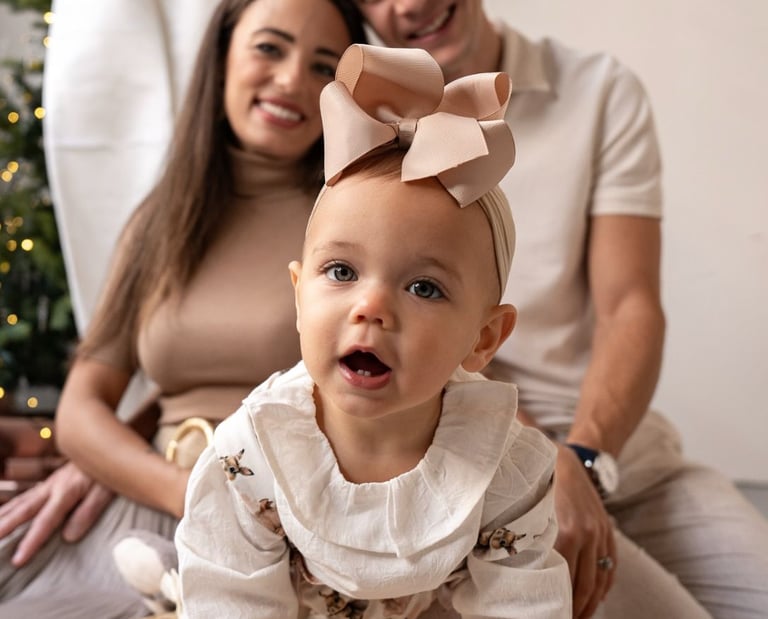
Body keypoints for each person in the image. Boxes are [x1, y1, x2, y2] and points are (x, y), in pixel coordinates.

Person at [353, 2, 768, 619]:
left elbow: (630, 306)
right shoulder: (369, 124)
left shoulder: (598, 90)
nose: (409, 4)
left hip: (620, 450)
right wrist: (540, 465)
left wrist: (585, 461)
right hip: (484, 461)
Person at [175, 43, 571, 619]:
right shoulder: (252, 451)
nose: (371, 307)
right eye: (342, 272)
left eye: (424, 287)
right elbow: (230, 597)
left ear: (484, 339)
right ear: (298, 296)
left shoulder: (505, 468)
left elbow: (525, 605)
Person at [0, 0, 367, 616]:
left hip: (290, 529)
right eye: (269, 48)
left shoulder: (358, 217)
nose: (290, 80)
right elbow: (81, 410)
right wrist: (188, 494)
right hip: (155, 504)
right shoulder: (160, 220)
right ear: (221, 58)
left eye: (322, 66)